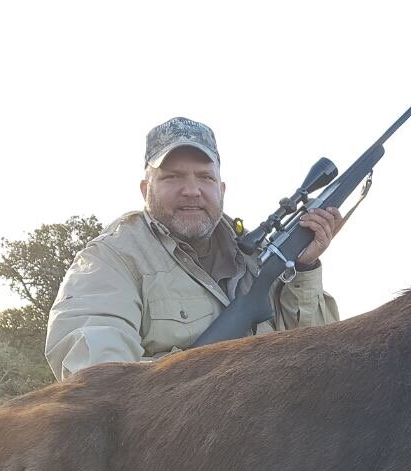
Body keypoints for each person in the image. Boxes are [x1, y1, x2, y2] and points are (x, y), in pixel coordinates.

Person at [45, 117, 341, 380]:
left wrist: (304, 268)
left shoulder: (254, 255)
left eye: (205, 177)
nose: (191, 190)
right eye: (172, 177)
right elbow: (100, 380)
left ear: (221, 190)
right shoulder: (109, 260)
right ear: (145, 189)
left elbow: (318, 354)